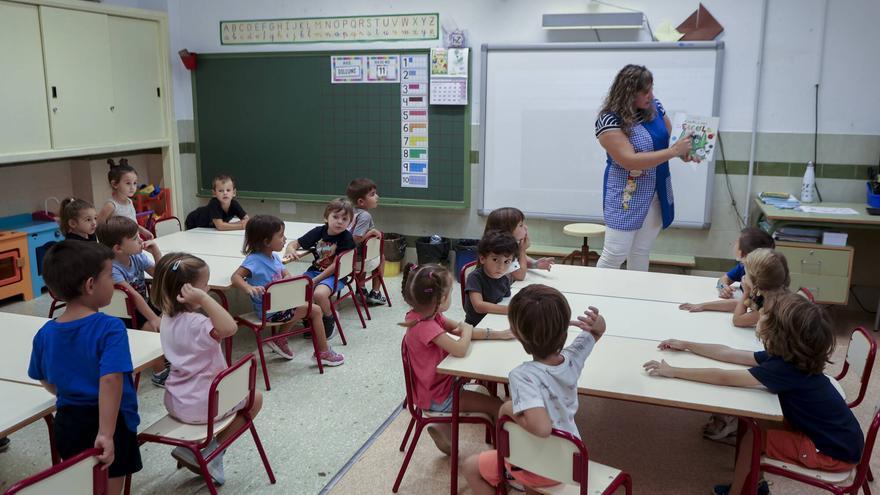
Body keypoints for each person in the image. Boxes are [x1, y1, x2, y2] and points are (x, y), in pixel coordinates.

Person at [644, 292, 863, 495]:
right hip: (840, 438)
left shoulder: (783, 369)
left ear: (780, 335)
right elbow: (730, 353)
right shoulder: (788, 358)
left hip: (831, 452)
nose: (759, 318)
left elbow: (724, 377)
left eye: (766, 317)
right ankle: (754, 484)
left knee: (752, 438)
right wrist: (688, 344)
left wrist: (673, 371)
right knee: (759, 422)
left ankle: (739, 492)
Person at [462, 285, 606, 494]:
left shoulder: (523, 375)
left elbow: (541, 428)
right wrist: (598, 324)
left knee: (470, 466)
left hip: (538, 468)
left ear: (520, 336)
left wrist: (507, 408)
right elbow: (595, 333)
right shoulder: (573, 358)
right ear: (565, 330)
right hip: (571, 463)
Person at [28, 241, 142, 495]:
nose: (113, 282)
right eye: (109, 276)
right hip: (109, 422)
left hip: (68, 421)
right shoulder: (110, 328)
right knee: (108, 487)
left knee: (82, 484)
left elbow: (45, 379)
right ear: (91, 285)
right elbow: (111, 380)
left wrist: (69, 390)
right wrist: (106, 432)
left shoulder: (45, 333)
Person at [151, 253, 262, 485]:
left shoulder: (165, 318)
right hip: (203, 405)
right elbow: (230, 328)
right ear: (189, 290)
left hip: (176, 400)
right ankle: (211, 453)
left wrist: (201, 297)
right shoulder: (199, 325)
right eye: (204, 285)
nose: (208, 287)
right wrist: (204, 299)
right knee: (256, 398)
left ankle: (202, 448)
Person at [400, 263, 514, 454]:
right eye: (452, 291)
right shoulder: (427, 326)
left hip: (435, 387)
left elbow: (460, 330)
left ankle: (443, 427)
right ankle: (504, 461)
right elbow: (461, 348)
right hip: (440, 395)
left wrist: (499, 334)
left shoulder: (425, 314)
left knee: (484, 391)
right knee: (497, 406)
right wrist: (468, 329)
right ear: (443, 298)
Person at [594, 64, 697, 271]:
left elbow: (671, 141)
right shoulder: (609, 120)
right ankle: (595, 298)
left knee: (641, 250)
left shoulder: (655, 107)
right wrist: (674, 151)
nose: (651, 95)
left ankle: (635, 299)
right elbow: (629, 160)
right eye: (645, 91)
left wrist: (685, 153)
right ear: (629, 93)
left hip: (656, 190)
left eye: (651, 89)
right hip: (627, 194)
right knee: (615, 253)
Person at [232, 215, 344, 366]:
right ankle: (323, 352)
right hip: (270, 311)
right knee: (316, 311)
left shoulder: (273, 256)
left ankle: (280, 338)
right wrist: (248, 287)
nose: (285, 239)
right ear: (266, 241)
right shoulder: (254, 260)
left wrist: (287, 277)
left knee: (305, 299)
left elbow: (283, 271)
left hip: (281, 304)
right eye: (280, 236)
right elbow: (236, 277)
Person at [96, 216, 168, 387]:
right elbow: (132, 296)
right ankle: (160, 372)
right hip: (124, 316)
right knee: (153, 329)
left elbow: (160, 277)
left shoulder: (136, 256)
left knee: (176, 301)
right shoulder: (112, 268)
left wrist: (156, 252)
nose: (141, 240)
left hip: (141, 306)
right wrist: (153, 318)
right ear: (118, 248)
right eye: (135, 238)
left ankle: (172, 355)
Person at [283, 198, 356, 338]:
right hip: (315, 271)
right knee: (298, 288)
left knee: (319, 294)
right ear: (326, 217)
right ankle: (310, 318)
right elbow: (295, 243)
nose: (340, 221)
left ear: (349, 222)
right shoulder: (319, 231)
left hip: (336, 275)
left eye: (344, 219)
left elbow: (336, 266)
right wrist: (289, 249)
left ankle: (329, 318)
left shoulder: (346, 238)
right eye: (335, 217)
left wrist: (316, 280)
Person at [463, 230, 518, 325]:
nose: (501, 267)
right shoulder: (475, 277)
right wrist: (511, 310)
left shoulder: (504, 278)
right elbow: (479, 306)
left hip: (495, 320)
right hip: (476, 326)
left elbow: (506, 299)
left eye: (507, 261)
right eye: (495, 259)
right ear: (482, 259)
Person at [346, 177, 387, 306]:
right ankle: (375, 292)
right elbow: (356, 238)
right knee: (381, 258)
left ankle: (361, 289)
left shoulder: (348, 211)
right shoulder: (364, 215)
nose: (377, 197)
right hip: (356, 261)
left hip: (349, 259)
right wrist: (371, 233)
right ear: (361, 201)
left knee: (366, 254)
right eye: (373, 194)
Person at [484, 207, 554, 281]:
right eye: (521, 225)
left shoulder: (508, 244)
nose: (526, 227)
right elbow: (520, 275)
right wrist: (522, 250)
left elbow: (518, 260)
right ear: (508, 230)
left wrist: (535, 264)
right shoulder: (499, 250)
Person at [97, 158, 153, 240]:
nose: (132, 187)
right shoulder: (111, 206)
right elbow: (98, 226)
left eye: (135, 183)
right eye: (128, 183)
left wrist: (143, 231)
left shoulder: (130, 202)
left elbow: (132, 223)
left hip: (134, 243)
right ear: (115, 184)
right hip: (120, 248)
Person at [716, 228, 775, 299]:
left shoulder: (763, 277)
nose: (734, 243)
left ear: (742, 254)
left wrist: (703, 306)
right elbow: (723, 279)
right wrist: (723, 287)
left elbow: (747, 303)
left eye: (737, 242)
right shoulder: (742, 267)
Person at [184, 174, 249, 231]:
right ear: (214, 193)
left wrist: (229, 225)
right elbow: (220, 226)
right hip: (194, 222)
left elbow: (246, 219)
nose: (225, 193)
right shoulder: (214, 203)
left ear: (234, 193)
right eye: (221, 191)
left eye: (228, 190)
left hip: (208, 228)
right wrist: (241, 226)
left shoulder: (234, 204)